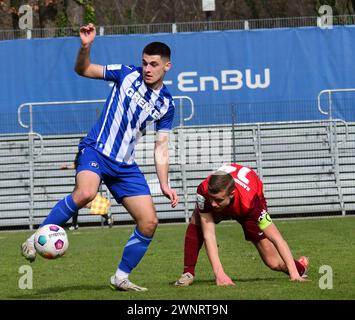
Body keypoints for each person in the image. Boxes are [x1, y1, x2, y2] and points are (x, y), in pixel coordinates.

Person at [21, 23, 179, 292]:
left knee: (150, 221)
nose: (147, 69)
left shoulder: (166, 104)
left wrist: (164, 183)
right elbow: (84, 69)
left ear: (167, 66)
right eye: (145, 63)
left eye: (153, 64)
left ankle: (120, 277)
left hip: (124, 166)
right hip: (96, 149)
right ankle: (38, 236)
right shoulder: (126, 74)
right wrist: (85, 48)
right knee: (86, 193)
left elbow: (161, 147)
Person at [174, 163, 309, 287]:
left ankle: (300, 267)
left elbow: (277, 238)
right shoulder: (203, 190)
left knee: (273, 261)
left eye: (218, 200)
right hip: (231, 199)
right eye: (211, 198)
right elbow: (209, 235)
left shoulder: (252, 204)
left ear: (231, 194)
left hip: (247, 204)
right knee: (197, 218)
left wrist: (294, 275)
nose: (213, 204)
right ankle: (188, 273)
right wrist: (219, 274)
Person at [60, 151, 113, 230]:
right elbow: (76, 165)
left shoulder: (92, 154)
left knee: (85, 203)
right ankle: (75, 224)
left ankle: (107, 216)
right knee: (76, 202)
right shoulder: (80, 155)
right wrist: (67, 166)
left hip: (89, 181)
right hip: (81, 182)